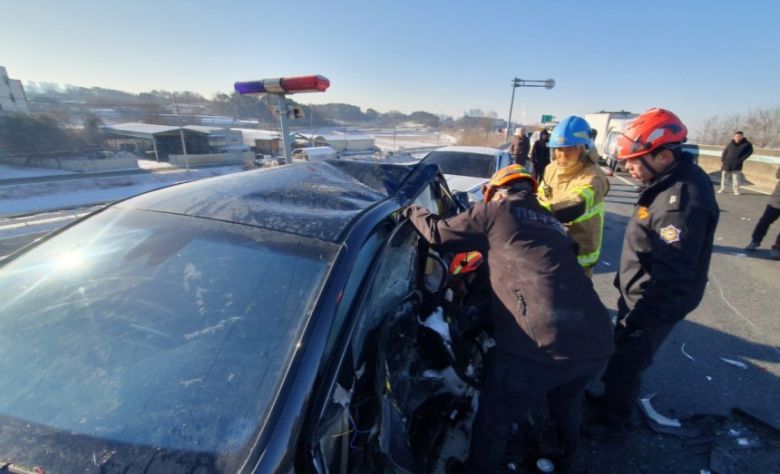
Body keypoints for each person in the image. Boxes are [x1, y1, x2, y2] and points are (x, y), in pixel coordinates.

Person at [403, 165, 614, 473]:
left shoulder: (496, 211)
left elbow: (438, 233)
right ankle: (567, 458)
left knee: (495, 418)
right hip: (598, 339)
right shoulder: (554, 223)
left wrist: (411, 210)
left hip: (540, 346)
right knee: (567, 400)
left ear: (496, 193)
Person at [588, 108, 719, 436]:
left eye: (635, 161)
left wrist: (640, 320)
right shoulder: (669, 181)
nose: (629, 168)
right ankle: (611, 399)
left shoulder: (680, 205)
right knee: (620, 355)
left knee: (628, 361)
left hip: (652, 303)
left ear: (662, 156)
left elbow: (673, 277)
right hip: (639, 293)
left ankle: (613, 422)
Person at [538, 116, 610, 276]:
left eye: (570, 149)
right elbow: (542, 195)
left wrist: (537, 211)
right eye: (559, 149)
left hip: (579, 256)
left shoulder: (593, 177)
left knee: (574, 299)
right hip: (551, 247)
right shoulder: (551, 169)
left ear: (584, 149)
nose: (563, 155)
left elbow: (575, 204)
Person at [745, 168, 780, 260]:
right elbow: (778, 175)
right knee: (765, 220)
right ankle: (755, 240)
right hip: (777, 199)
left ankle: (777, 247)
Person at [719, 131, 753, 195]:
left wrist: (741, 159)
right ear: (734, 137)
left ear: (742, 137)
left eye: (739, 136)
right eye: (736, 136)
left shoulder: (746, 144)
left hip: (737, 164)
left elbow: (749, 152)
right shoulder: (731, 143)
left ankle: (736, 190)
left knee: (736, 179)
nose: (737, 138)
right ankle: (722, 189)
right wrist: (723, 159)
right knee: (724, 178)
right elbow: (725, 151)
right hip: (727, 163)